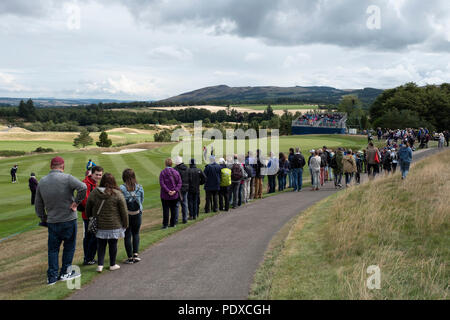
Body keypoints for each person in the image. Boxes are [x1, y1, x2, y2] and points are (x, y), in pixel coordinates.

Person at [34, 156, 87, 285]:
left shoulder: (42, 181)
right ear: (62, 166)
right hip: (68, 219)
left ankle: (52, 277)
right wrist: (76, 203)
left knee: (53, 249)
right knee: (69, 247)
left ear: (51, 166)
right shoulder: (67, 178)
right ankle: (65, 272)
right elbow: (83, 187)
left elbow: (38, 204)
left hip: (52, 221)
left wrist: (43, 218)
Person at [86, 173, 128, 273]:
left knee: (101, 245)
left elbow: (88, 207)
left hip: (100, 224)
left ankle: (100, 265)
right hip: (114, 224)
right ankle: (112, 264)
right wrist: (125, 223)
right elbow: (124, 211)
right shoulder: (117, 194)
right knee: (113, 245)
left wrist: (90, 217)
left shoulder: (95, 192)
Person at [79, 166, 104, 266]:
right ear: (92, 174)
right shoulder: (86, 184)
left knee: (90, 237)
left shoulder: (92, 183)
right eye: (97, 174)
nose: (98, 176)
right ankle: (88, 258)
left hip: (92, 215)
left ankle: (89, 257)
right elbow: (86, 202)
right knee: (91, 237)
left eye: (100, 175)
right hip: (89, 216)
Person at [120, 168, 144, 264]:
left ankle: (130, 257)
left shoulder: (121, 188)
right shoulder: (139, 187)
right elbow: (141, 200)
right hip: (137, 213)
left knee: (127, 235)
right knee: (136, 233)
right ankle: (136, 254)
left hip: (126, 214)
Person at [159, 158, 182, 228]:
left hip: (165, 195)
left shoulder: (163, 172)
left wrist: (169, 191)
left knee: (166, 210)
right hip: (173, 195)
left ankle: (165, 224)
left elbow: (162, 184)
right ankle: (173, 223)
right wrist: (174, 191)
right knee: (173, 209)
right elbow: (180, 183)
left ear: (165, 164)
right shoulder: (176, 172)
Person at [174, 156, 189, 224]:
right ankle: (185, 219)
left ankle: (176, 220)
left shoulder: (175, 169)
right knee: (184, 203)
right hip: (185, 188)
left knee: (177, 205)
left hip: (178, 189)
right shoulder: (186, 168)